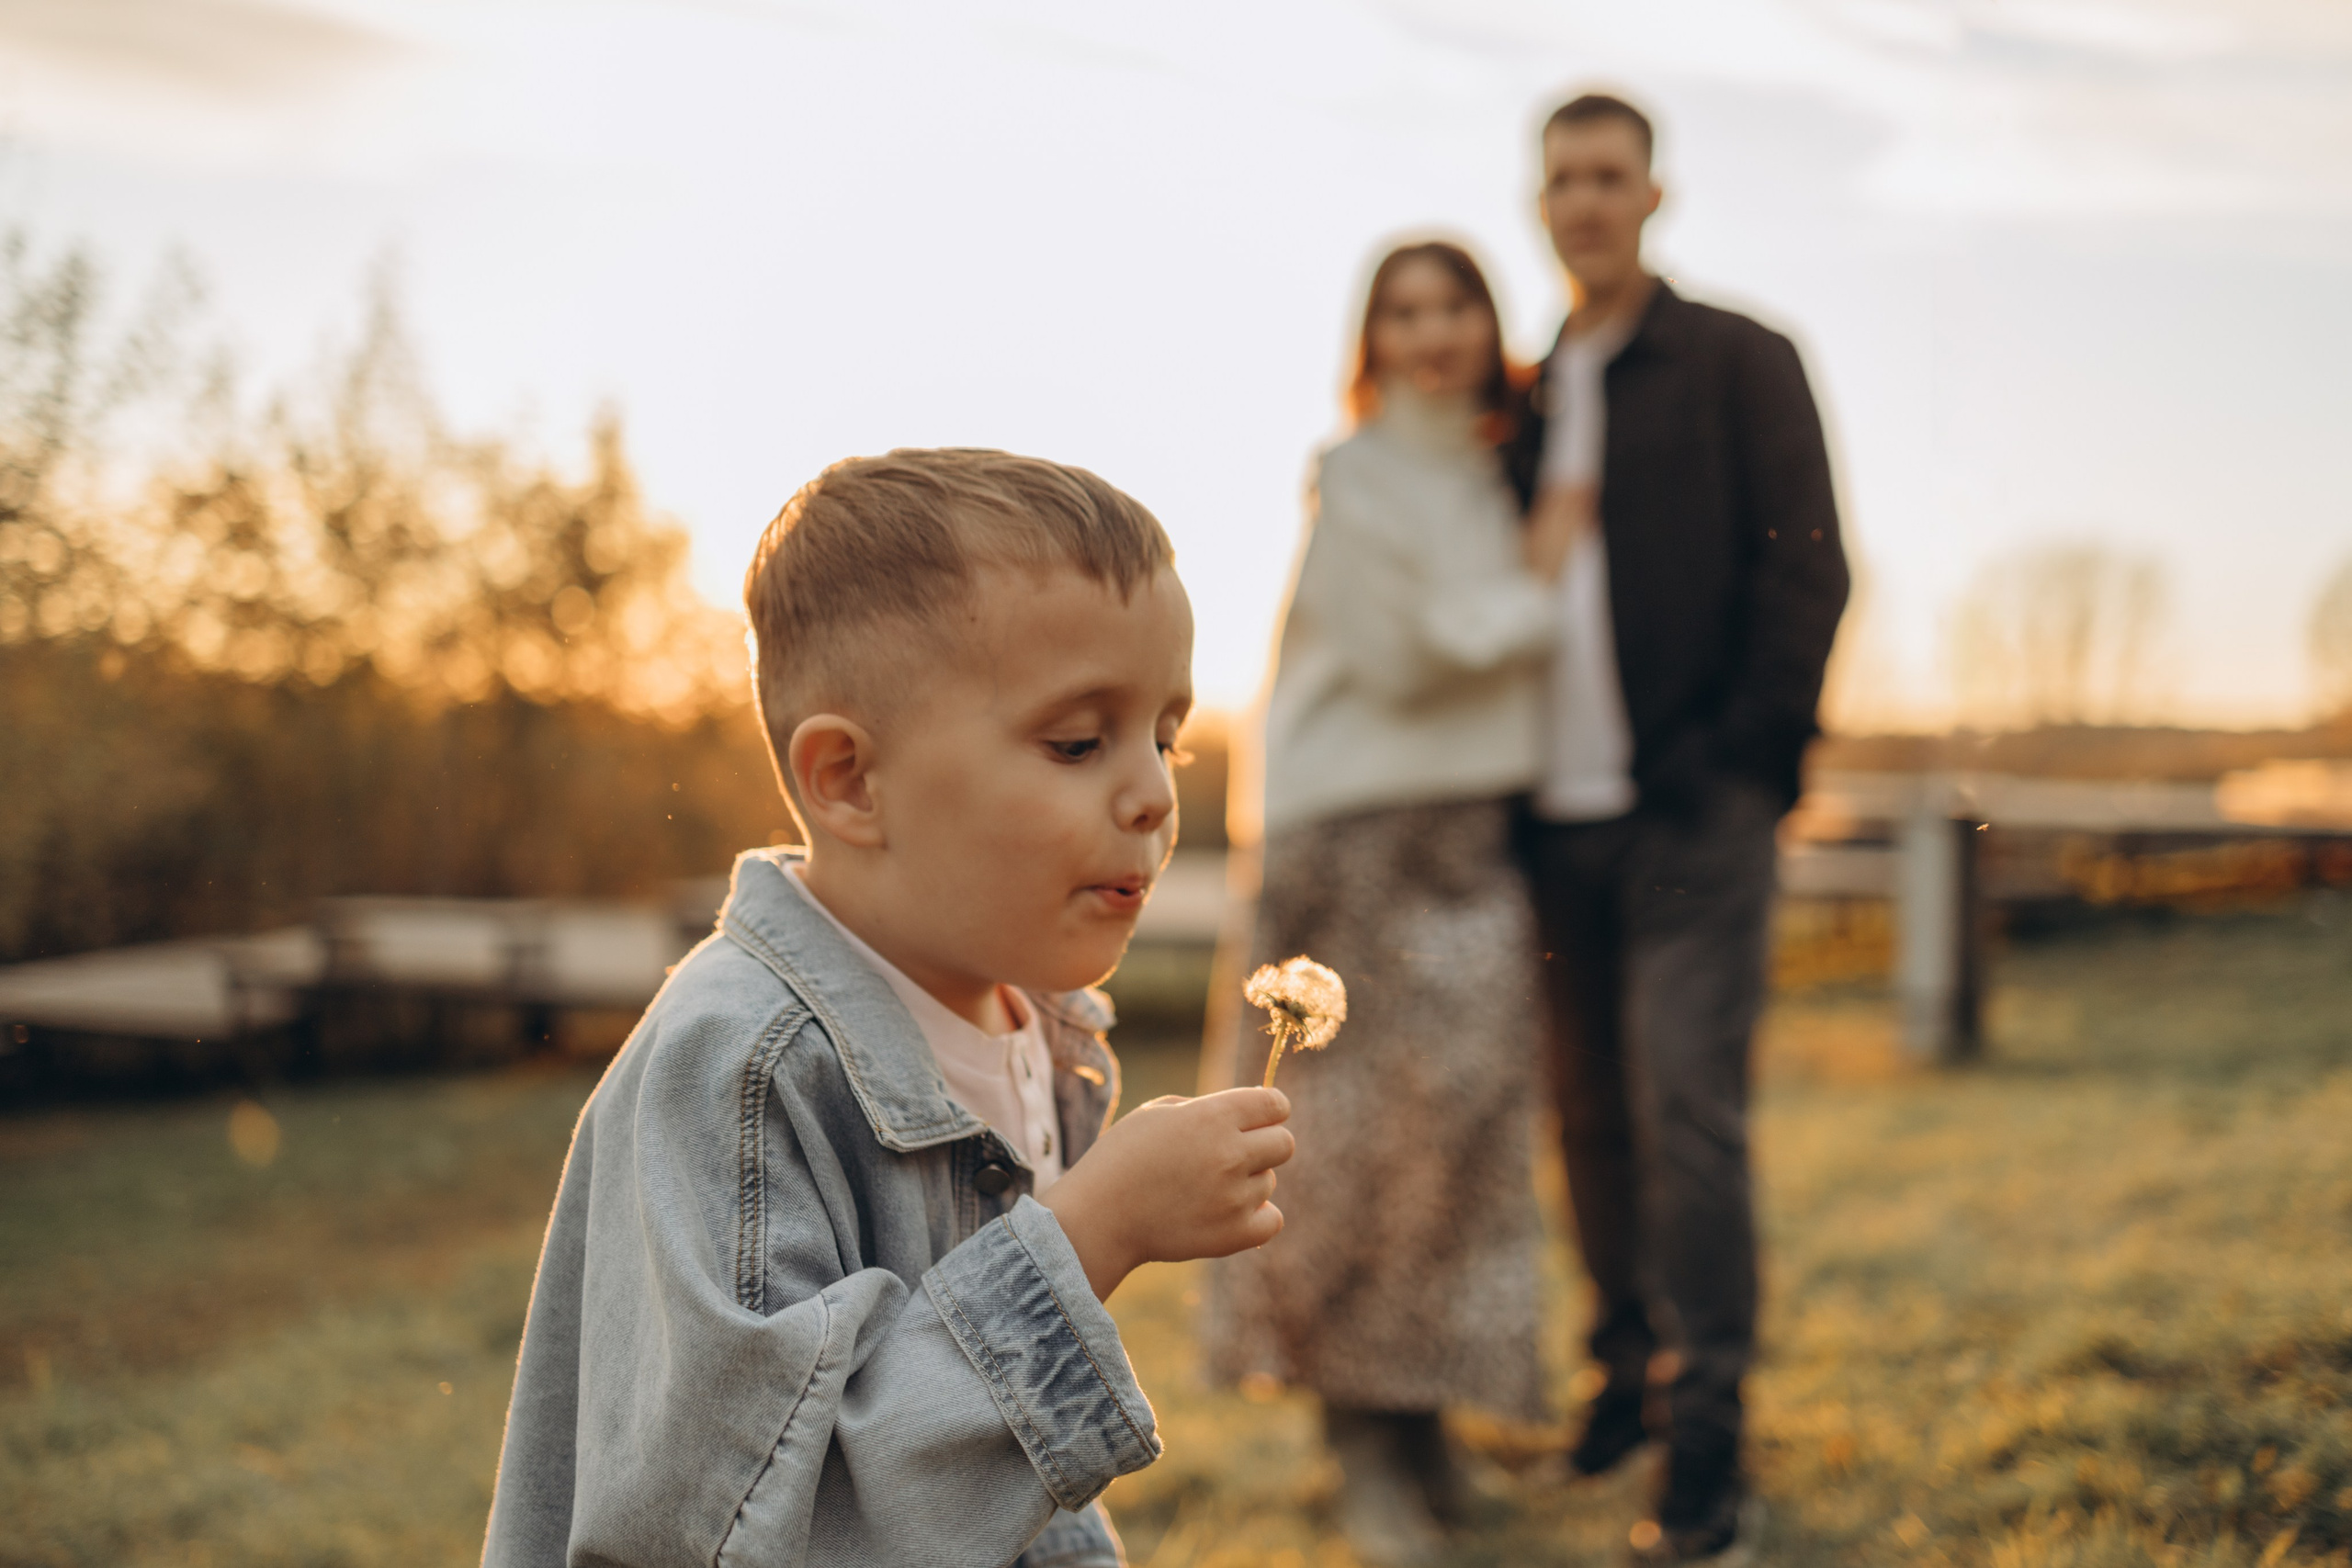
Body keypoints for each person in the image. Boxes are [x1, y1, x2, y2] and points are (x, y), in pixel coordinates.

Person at [481, 449, 1298, 1568]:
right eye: (1077, 741)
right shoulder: (744, 1073)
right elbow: (777, 1521)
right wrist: (1092, 1231)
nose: (1156, 790)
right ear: (851, 781)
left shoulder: (1033, 1020)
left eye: (1167, 735)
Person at [1505, 94, 1850, 1565]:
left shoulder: (1738, 359)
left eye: (1610, 176)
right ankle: (1624, 1374)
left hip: (1692, 814)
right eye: (1562, 179)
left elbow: (1812, 566)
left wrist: (1742, 763)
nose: (1586, 201)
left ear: (1656, 194)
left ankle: (1705, 1437)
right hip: (1550, 824)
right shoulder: (1520, 394)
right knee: (1585, 1120)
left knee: (1688, 1116)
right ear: (1541, 203)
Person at [1203, 241, 1557, 1568]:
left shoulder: (1491, 469)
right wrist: (1544, 593)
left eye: (1454, 304)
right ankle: (1358, 1442)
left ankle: (1425, 1420)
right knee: (1339, 1143)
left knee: (1457, 1136)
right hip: (1345, 834)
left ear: (1488, 322)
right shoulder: (1352, 475)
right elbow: (1410, 658)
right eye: (1402, 310)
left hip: (1471, 830)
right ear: (1372, 337)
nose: (1431, 331)